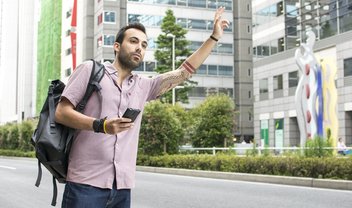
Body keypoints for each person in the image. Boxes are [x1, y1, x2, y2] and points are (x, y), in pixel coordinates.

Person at [55, 7, 229, 208]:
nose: (139, 48)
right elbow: (62, 112)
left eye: (144, 45)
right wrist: (101, 125)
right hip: (85, 184)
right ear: (117, 46)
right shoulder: (90, 70)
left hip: (121, 188)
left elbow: (183, 72)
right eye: (134, 41)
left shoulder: (143, 86)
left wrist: (214, 37)